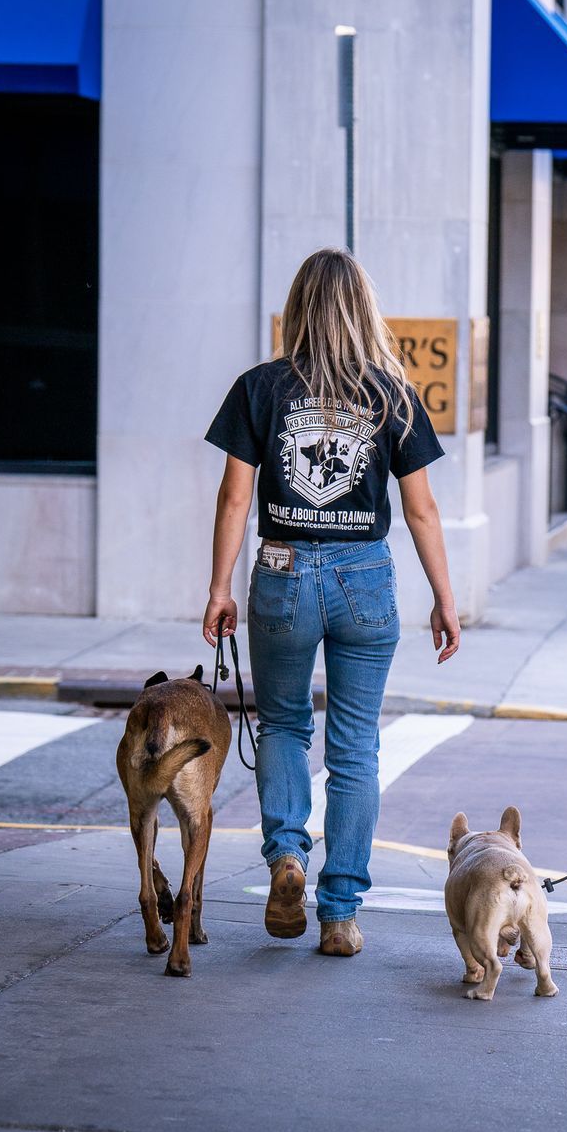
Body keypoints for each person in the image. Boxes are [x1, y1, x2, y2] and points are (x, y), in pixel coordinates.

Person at [202, 248, 461, 959]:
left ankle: (288, 854)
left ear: (298, 311)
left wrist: (220, 588)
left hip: (282, 569)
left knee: (285, 725)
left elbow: (233, 499)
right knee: (355, 746)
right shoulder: (392, 394)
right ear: (363, 311)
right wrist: (445, 597)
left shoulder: (259, 387)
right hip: (364, 578)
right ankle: (340, 913)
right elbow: (422, 510)